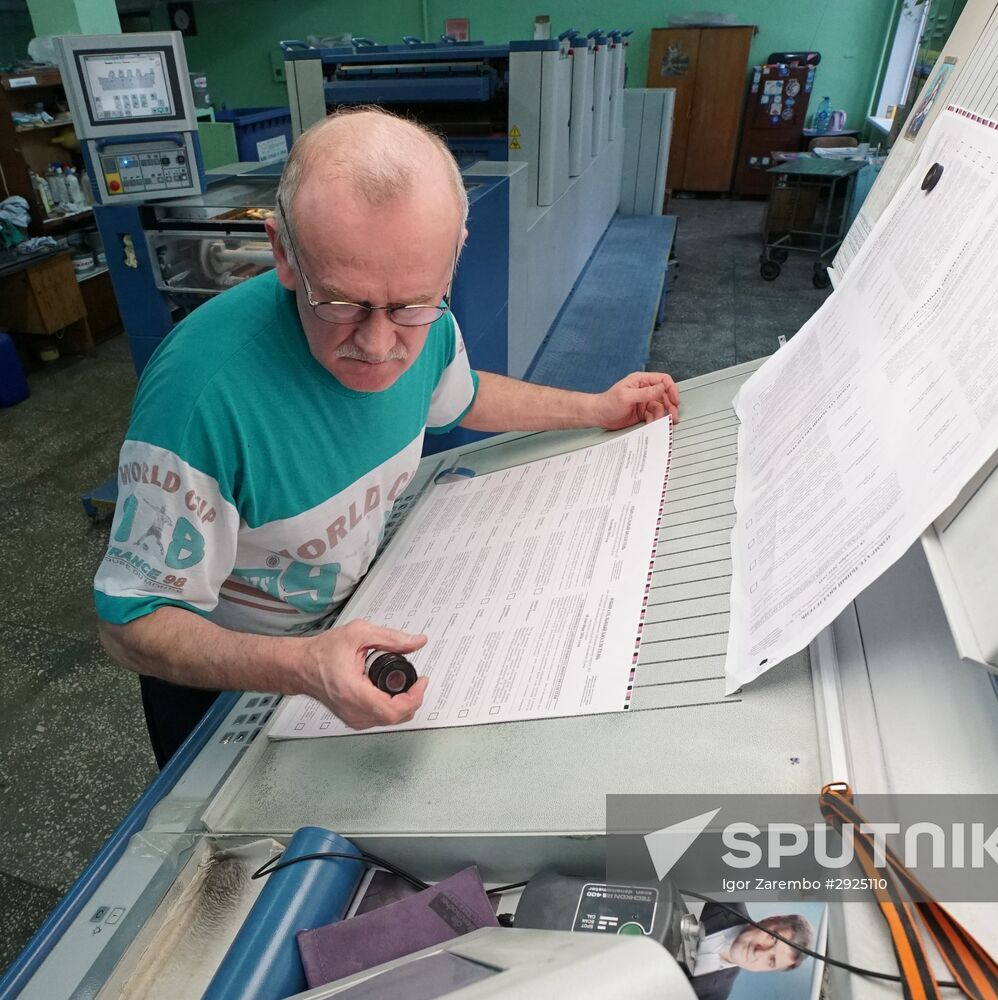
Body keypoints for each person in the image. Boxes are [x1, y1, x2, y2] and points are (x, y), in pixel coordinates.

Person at [94, 108, 680, 766]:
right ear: (282, 252)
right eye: (341, 304)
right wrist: (302, 666)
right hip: (228, 681)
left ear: (454, 250)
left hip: (349, 620)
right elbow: (129, 625)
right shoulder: (200, 398)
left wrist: (596, 408)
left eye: (410, 306)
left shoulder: (425, 325)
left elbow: (466, 394)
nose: (379, 346)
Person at [690, 902, 813, 1000]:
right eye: (773, 938)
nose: (759, 952)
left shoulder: (717, 994)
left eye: (771, 960)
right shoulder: (723, 896)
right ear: (771, 919)